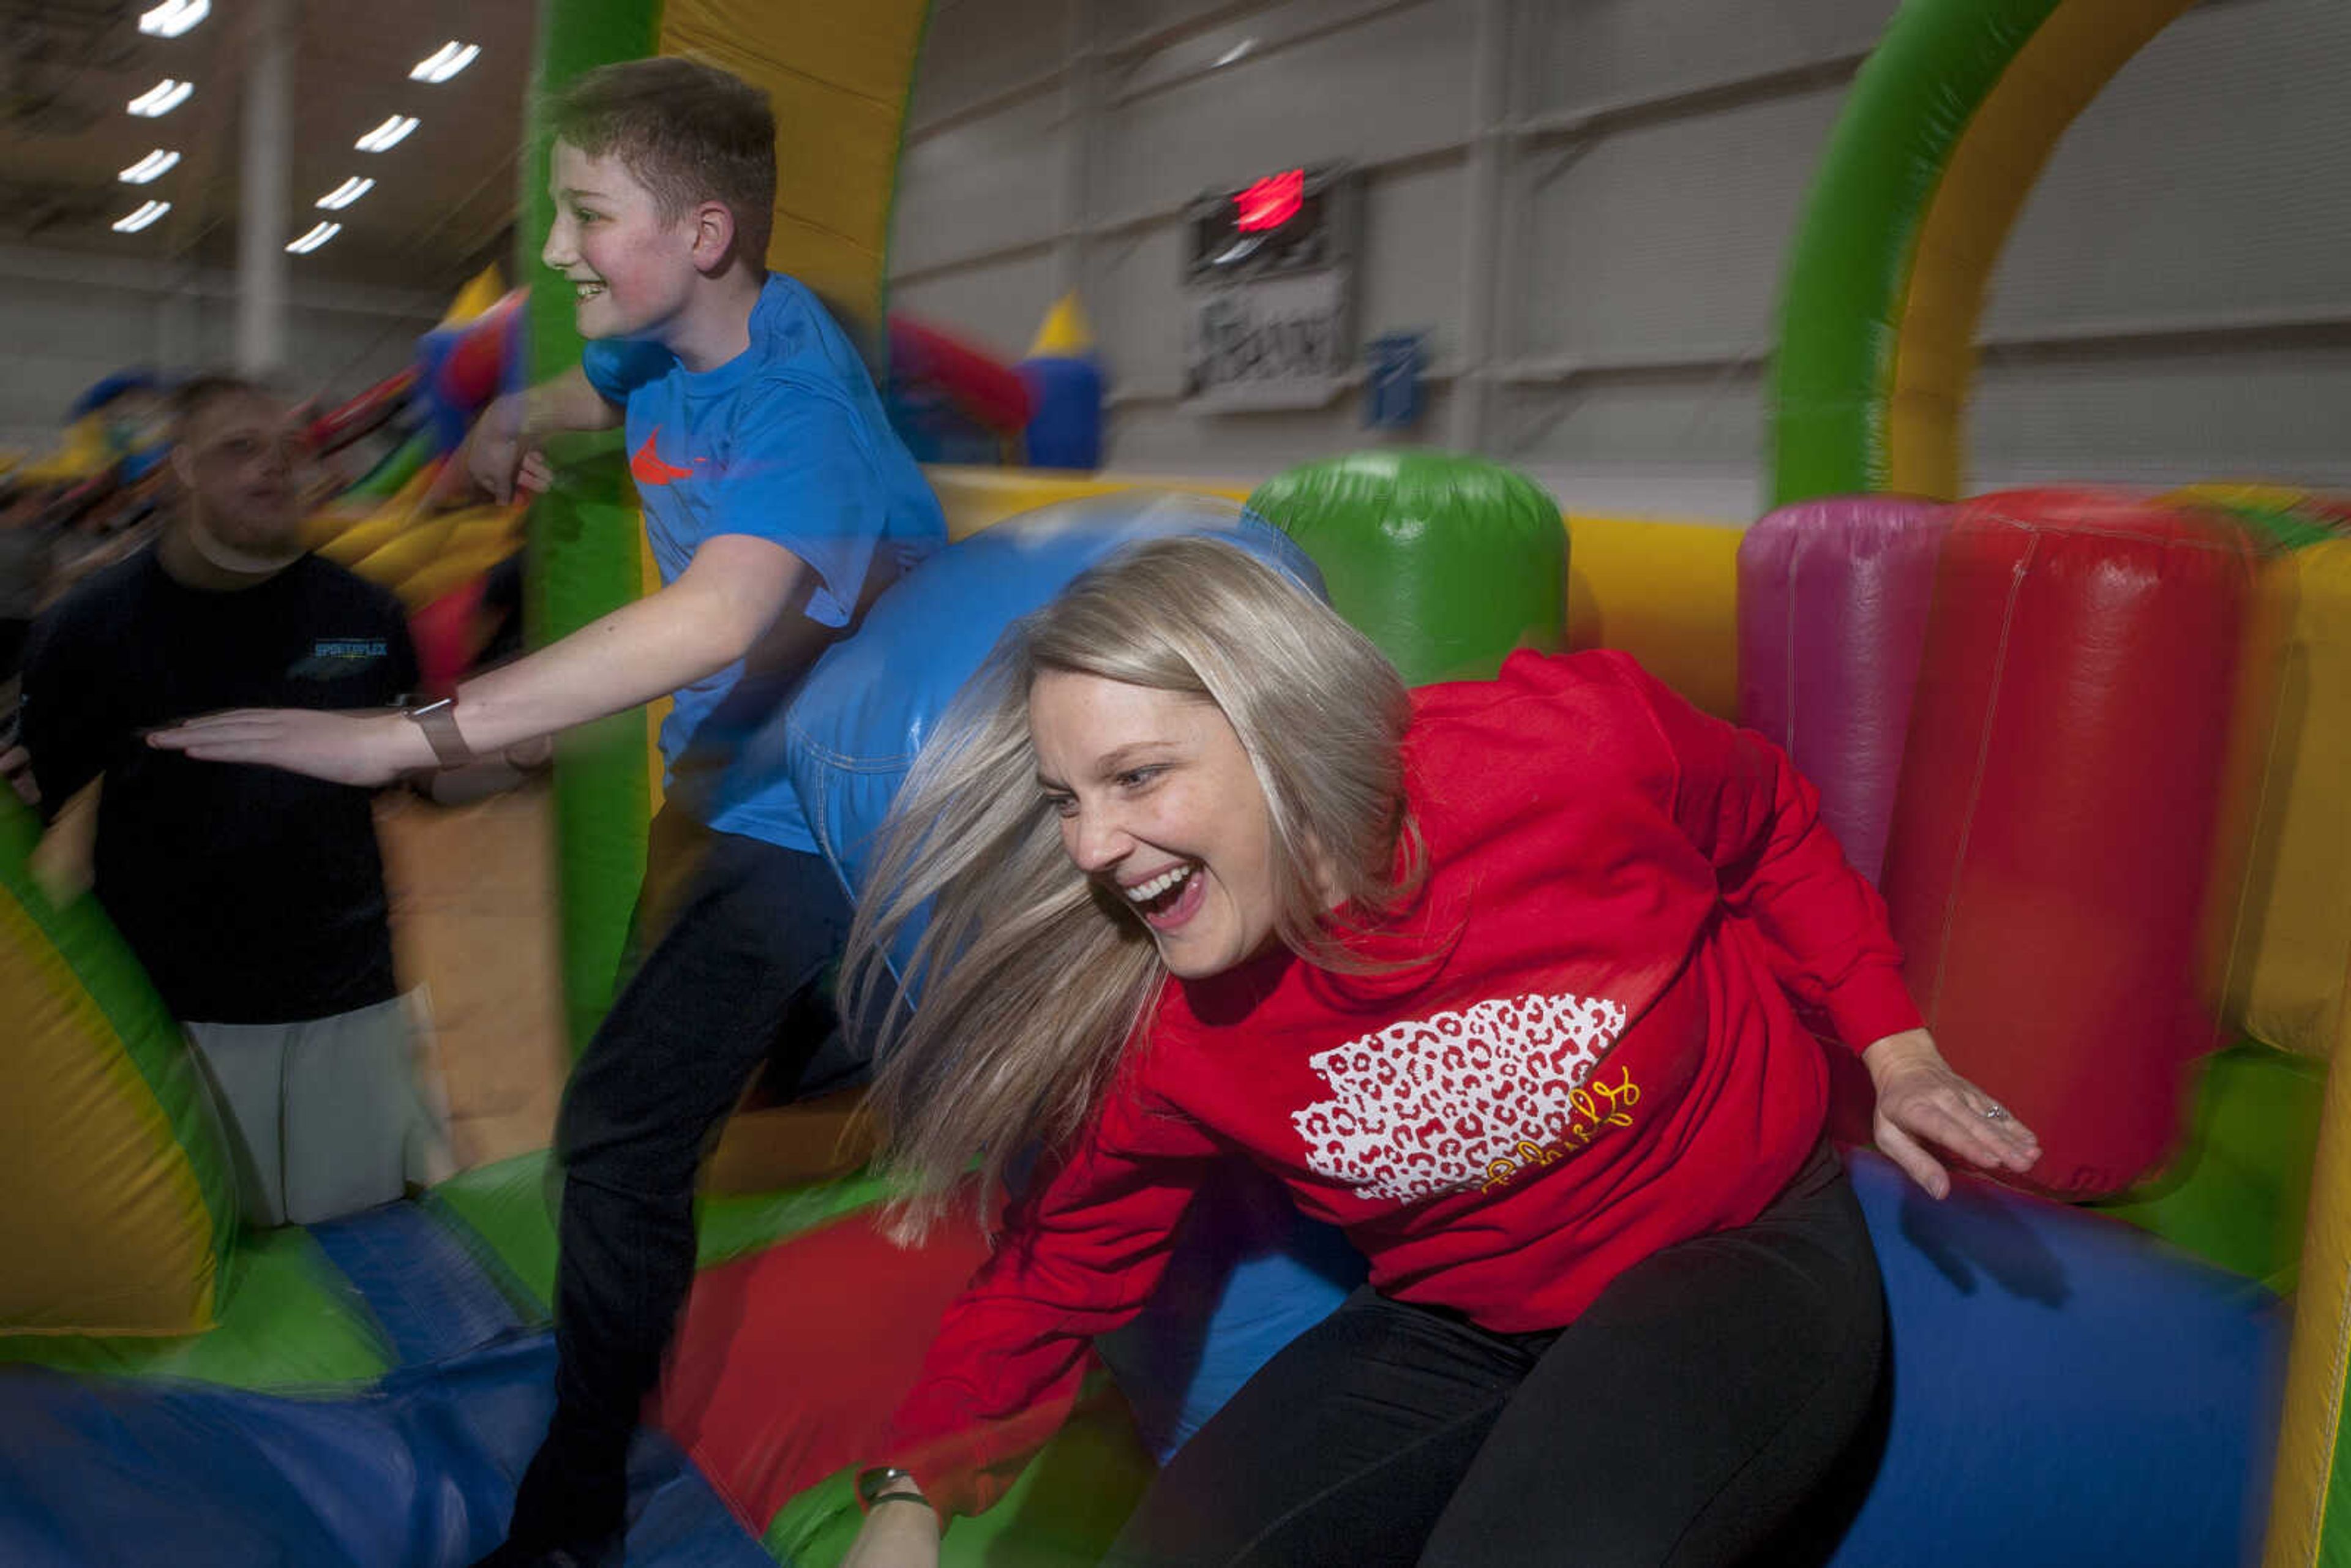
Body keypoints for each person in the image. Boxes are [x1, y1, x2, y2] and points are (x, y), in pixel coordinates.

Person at [832, 536, 2041, 1568]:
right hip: (1458, 1322)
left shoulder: (1560, 756)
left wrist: (1896, 1045)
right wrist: (911, 1494)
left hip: (1731, 1246)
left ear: (1277, 732)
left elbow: (1769, 818)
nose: (1093, 847)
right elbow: (1059, 1273)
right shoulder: (1162, 1030)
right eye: (1065, 800)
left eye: (1136, 778)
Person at [148, 56, 947, 1568]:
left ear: (703, 233)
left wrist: (406, 736)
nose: (560, 251)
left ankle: (573, 1508)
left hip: (838, 816)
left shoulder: (796, 405)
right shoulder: (690, 340)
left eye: (587, 216)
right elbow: (599, 388)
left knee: (618, 1143)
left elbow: (720, 615)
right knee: (711, 1077)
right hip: (737, 791)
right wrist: (513, 413)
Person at [14, 373, 449, 1226]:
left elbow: (425, 772)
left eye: (290, 449)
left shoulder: (361, 615)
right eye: (240, 448)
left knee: (370, 1260)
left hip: (347, 1005)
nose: (273, 468)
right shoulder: (89, 630)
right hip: (174, 1017)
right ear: (180, 467)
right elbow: (38, 805)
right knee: (214, 1265)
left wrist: (523, 733)